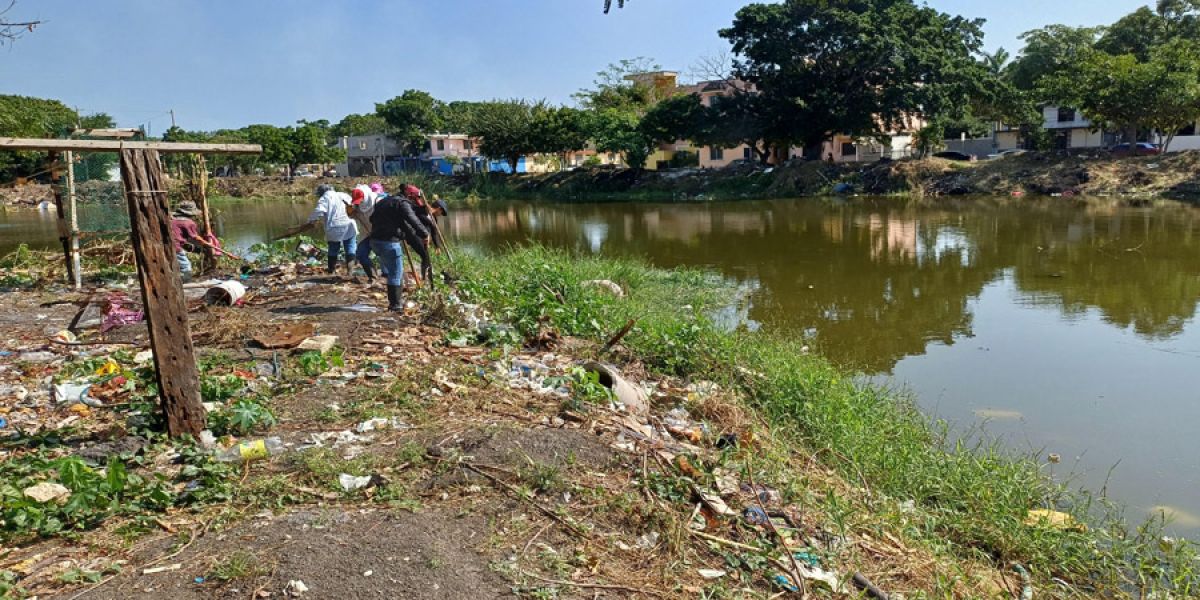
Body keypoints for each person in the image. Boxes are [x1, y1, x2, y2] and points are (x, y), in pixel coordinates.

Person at [370, 185, 428, 311]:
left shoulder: (384, 201)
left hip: (375, 241)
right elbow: (413, 220)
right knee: (396, 274)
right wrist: (424, 234)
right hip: (389, 243)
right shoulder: (402, 204)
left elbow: (371, 218)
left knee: (392, 272)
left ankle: (394, 303)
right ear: (409, 197)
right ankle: (395, 305)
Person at [307, 184, 358, 275]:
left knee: (333, 248)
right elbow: (354, 206)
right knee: (350, 247)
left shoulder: (325, 198)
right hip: (349, 224)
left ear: (321, 193)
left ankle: (331, 271)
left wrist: (310, 221)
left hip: (335, 226)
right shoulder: (344, 195)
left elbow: (319, 211)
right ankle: (350, 271)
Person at [348, 183, 381, 283]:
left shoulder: (377, 201)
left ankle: (390, 275)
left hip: (379, 233)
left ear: (365, 196)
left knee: (384, 255)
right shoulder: (356, 205)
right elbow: (352, 216)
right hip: (366, 233)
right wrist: (349, 211)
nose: (360, 202)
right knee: (361, 254)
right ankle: (373, 276)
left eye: (361, 199)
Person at [170, 201, 205, 282]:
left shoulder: (173, 219)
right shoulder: (188, 222)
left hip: (170, 245)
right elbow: (195, 237)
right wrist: (205, 243)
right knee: (186, 266)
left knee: (175, 265)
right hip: (175, 246)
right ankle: (186, 283)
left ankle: (177, 281)